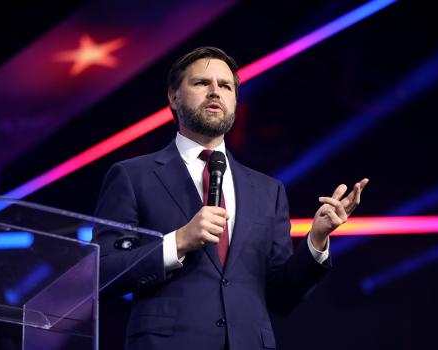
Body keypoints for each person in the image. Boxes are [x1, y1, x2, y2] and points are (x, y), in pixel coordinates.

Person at [93, 46, 369, 350]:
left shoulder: (268, 190)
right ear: (173, 97)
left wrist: (316, 241)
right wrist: (179, 241)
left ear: (235, 100)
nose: (215, 92)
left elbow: (281, 296)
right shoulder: (133, 175)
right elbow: (102, 273)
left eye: (225, 86)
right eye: (201, 83)